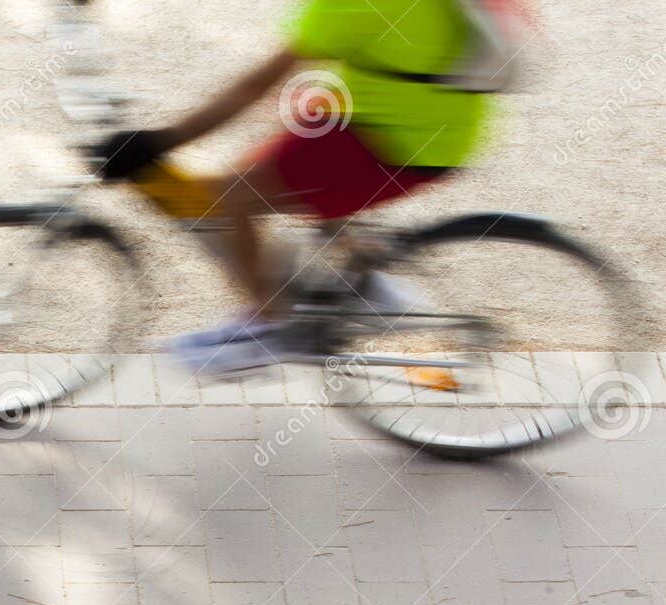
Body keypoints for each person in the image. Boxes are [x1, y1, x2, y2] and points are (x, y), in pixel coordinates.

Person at [99, 0, 522, 375]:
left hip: (397, 140)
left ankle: (268, 326)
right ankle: (364, 282)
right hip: (439, 123)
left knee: (235, 195)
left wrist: (161, 141)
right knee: (299, 137)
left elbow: (255, 85)